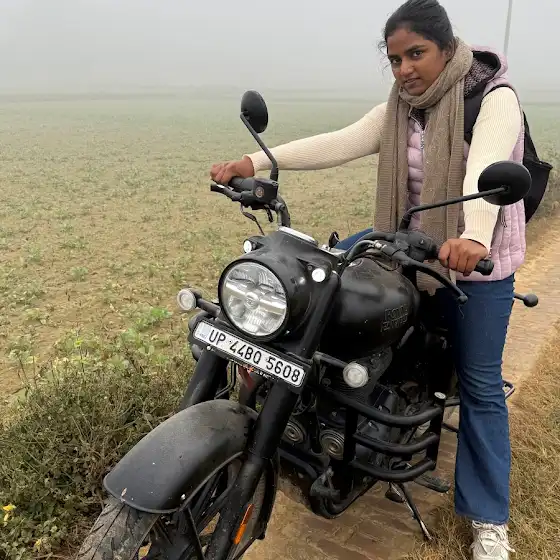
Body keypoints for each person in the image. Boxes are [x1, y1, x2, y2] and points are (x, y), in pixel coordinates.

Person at [210, 1, 524, 558]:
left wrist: (474, 236)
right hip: (405, 242)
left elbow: (486, 168)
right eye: (395, 59)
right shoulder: (401, 108)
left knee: (480, 386)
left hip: (474, 259)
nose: (405, 69)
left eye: (416, 54)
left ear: (447, 49)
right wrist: (253, 163)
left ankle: (488, 519)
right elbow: (339, 141)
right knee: (318, 290)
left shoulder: (492, 98)